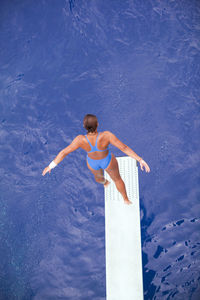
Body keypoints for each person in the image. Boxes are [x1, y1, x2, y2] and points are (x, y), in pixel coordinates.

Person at [42, 114, 150, 205]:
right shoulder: (106, 135)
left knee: (98, 178)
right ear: (97, 124)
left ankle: (105, 183)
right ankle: (126, 200)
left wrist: (50, 166)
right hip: (107, 161)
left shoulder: (80, 140)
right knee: (117, 180)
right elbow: (124, 148)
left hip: (92, 163)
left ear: (84, 127)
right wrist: (140, 159)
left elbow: (64, 152)